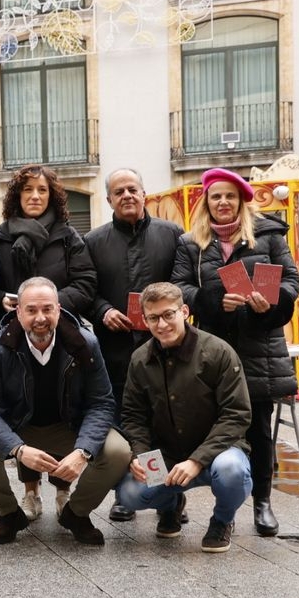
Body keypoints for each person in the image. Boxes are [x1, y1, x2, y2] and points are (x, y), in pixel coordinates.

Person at [172, 167, 299, 537]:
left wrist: (273, 303)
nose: (223, 202)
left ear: (241, 200)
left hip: (259, 347)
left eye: (230, 196)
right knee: (203, 425)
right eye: (216, 196)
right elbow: (180, 288)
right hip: (211, 348)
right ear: (206, 202)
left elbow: (292, 280)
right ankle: (211, 504)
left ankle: (262, 502)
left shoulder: (269, 235)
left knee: (260, 428)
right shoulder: (189, 243)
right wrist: (214, 299)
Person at [0, 277, 131, 545]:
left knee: (118, 451)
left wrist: (83, 451)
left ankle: (76, 513)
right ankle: (8, 514)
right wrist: (17, 449)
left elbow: (102, 402)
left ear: (58, 309)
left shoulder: (85, 344)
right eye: (31, 310)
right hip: (18, 426)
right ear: (17, 312)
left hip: (69, 427)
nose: (40, 318)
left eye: (47, 309)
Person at [0, 164, 97, 522]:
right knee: (24, 403)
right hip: (12, 336)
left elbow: (85, 282)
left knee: (61, 402)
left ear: (52, 197)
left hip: (63, 334)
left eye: (42, 191)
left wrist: (45, 308)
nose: (35, 197)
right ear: (16, 197)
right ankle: (31, 492)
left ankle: (64, 489)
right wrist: (6, 303)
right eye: (27, 191)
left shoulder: (68, 236)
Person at [115, 282, 253, 552]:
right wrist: (140, 456)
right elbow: (133, 416)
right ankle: (171, 505)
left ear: (184, 311)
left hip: (217, 452)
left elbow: (236, 415)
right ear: (144, 320)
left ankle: (222, 520)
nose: (162, 324)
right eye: (153, 318)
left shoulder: (217, 351)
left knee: (232, 471)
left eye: (169, 314)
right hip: (166, 454)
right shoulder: (140, 359)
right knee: (129, 494)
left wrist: (196, 460)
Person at [84, 168, 184, 523]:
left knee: (164, 422)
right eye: (118, 191)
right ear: (109, 200)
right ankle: (125, 492)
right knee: (124, 423)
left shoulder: (172, 234)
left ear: (144, 193)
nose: (126, 195)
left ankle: (166, 496)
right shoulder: (94, 241)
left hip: (166, 348)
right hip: (117, 349)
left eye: (132, 189)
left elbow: (183, 281)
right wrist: (104, 310)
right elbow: (86, 290)